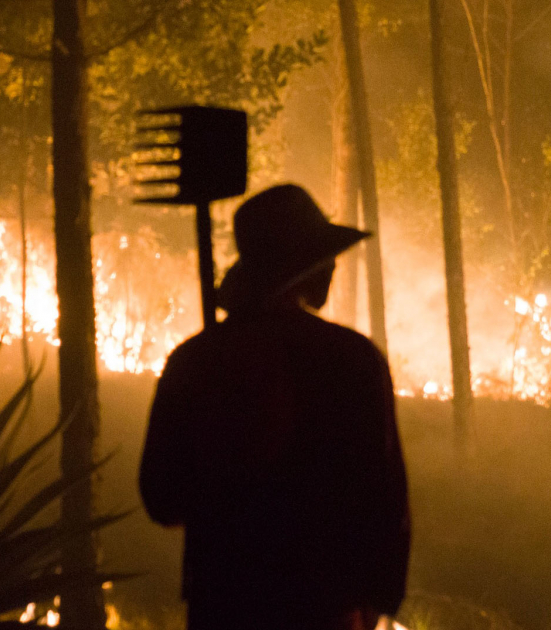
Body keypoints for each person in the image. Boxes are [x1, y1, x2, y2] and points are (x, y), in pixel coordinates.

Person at [139, 184, 410, 630]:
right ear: (306, 267)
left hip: (223, 604)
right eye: (325, 256)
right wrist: (374, 602)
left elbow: (161, 498)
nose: (334, 266)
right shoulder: (352, 359)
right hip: (327, 606)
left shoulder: (195, 360)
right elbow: (383, 498)